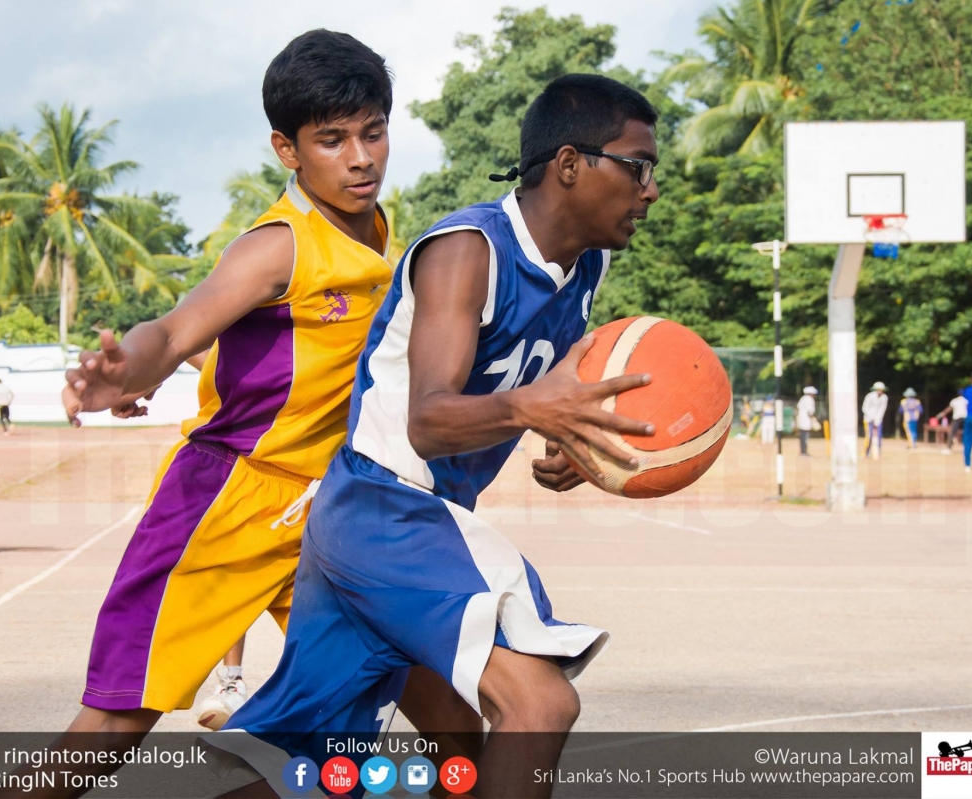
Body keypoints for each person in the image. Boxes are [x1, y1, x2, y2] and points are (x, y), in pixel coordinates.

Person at [208, 73, 660, 798]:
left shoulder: (585, 269)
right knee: (539, 704)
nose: (650, 190)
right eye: (638, 167)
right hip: (387, 509)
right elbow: (429, 418)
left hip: (378, 520)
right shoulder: (466, 250)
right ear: (571, 164)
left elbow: (532, 380)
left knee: (350, 767)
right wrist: (532, 409)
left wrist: (568, 435)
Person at [52, 29, 402, 761]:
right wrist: (127, 371)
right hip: (226, 501)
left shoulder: (376, 229)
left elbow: (264, 355)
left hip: (326, 506)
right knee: (112, 729)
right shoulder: (277, 246)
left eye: (372, 132)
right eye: (332, 140)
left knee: (423, 686)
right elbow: (175, 328)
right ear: (287, 150)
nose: (361, 157)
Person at [933, 387, 968, 454]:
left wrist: (939, 415)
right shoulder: (966, 401)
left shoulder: (955, 401)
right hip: (965, 417)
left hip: (957, 417)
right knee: (968, 432)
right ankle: (968, 447)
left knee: (952, 432)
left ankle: (949, 448)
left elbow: (948, 409)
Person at [862, 381, 888, 459]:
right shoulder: (869, 396)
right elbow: (864, 408)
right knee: (869, 436)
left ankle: (878, 453)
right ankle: (866, 453)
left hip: (878, 420)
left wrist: (877, 419)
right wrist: (872, 416)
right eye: (878, 389)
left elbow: (882, 409)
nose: (880, 391)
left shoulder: (884, 397)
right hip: (868, 419)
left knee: (879, 436)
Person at [796, 386, 817, 456]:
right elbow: (810, 412)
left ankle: (802, 450)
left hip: (801, 419)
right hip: (806, 420)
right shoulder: (810, 399)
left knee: (802, 435)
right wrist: (814, 419)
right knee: (805, 436)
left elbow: (798, 408)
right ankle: (804, 451)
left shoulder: (803, 398)